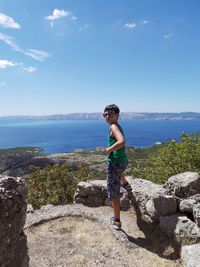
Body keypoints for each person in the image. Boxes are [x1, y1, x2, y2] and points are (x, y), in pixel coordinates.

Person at [103, 104, 131, 230]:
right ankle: (126, 183)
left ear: (117, 115)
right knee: (119, 173)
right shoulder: (117, 126)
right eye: (105, 114)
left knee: (114, 192)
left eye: (110, 114)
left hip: (114, 162)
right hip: (122, 161)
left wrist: (109, 149)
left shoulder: (114, 127)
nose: (107, 117)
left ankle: (117, 220)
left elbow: (122, 141)